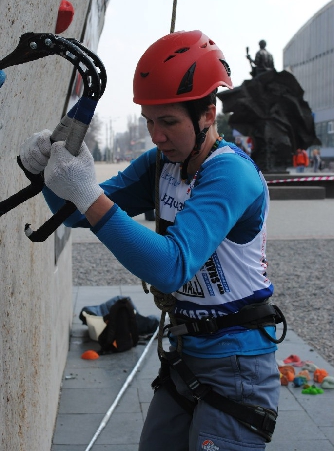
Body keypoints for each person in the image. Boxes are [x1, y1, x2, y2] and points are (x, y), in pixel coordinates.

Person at [20, 30, 283, 450]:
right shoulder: (160, 163)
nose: (156, 135)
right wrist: (46, 175)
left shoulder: (229, 173)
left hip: (238, 363)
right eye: (149, 121)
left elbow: (171, 266)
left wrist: (86, 192)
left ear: (208, 115)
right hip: (188, 353)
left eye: (169, 122)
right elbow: (79, 214)